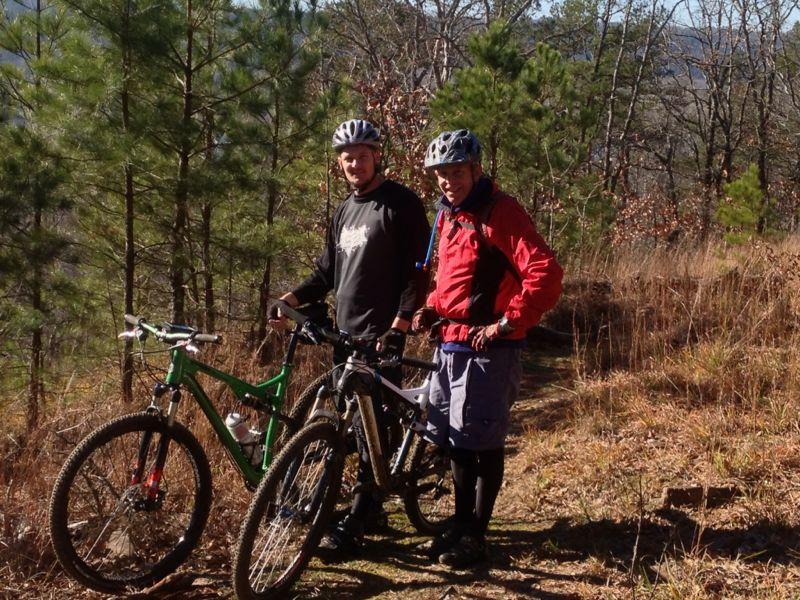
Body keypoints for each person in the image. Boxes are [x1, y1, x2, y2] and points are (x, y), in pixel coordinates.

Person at [269, 118, 430, 555]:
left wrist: (401, 324)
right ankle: (371, 503)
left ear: (377, 156)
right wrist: (292, 298)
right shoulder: (344, 210)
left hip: (382, 334)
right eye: (346, 158)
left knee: (372, 422)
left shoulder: (400, 204)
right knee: (351, 425)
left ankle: (361, 513)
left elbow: (419, 270)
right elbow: (326, 272)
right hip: (345, 335)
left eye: (361, 155)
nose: (353, 163)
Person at [413, 129, 563, 568]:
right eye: (441, 174)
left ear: (476, 170)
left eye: (456, 172)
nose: (447, 181)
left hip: (489, 348)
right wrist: (431, 308)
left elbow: (546, 274)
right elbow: (454, 280)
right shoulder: (450, 215)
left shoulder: (502, 212)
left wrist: (506, 323)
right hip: (452, 342)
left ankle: (477, 534)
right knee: (456, 440)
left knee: (483, 440)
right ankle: (460, 524)